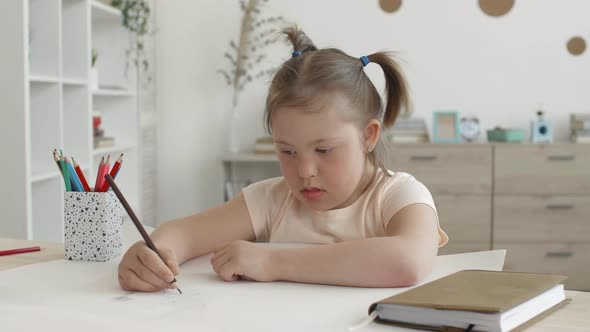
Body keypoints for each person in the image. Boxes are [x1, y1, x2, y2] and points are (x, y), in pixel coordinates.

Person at [118, 26, 448, 292]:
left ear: (368, 136)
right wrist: (152, 253)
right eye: (287, 151)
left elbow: (407, 260)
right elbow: (184, 233)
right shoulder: (272, 199)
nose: (304, 171)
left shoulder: (400, 195)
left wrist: (272, 262)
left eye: (324, 150)